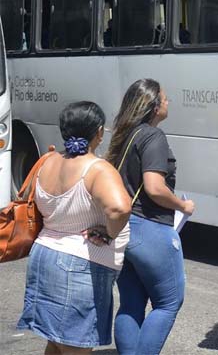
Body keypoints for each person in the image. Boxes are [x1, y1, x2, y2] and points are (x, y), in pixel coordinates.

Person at [17, 101, 132, 354]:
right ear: (99, 132)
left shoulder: (47, 161)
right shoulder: (97, 168)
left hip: (44, 255)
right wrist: (109, 233)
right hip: (78, 264)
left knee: (54, 342)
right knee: (75, 348)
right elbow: (120, 208)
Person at [106, 78, 195, 355]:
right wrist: (182, 206)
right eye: (165, 99)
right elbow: (155, 188)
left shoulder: (124, 135)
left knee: (131, 303)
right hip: (150, 228)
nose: (169, 102)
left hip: (124, 230)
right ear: (154, 106)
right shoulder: (154, 137)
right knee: (168, 303)